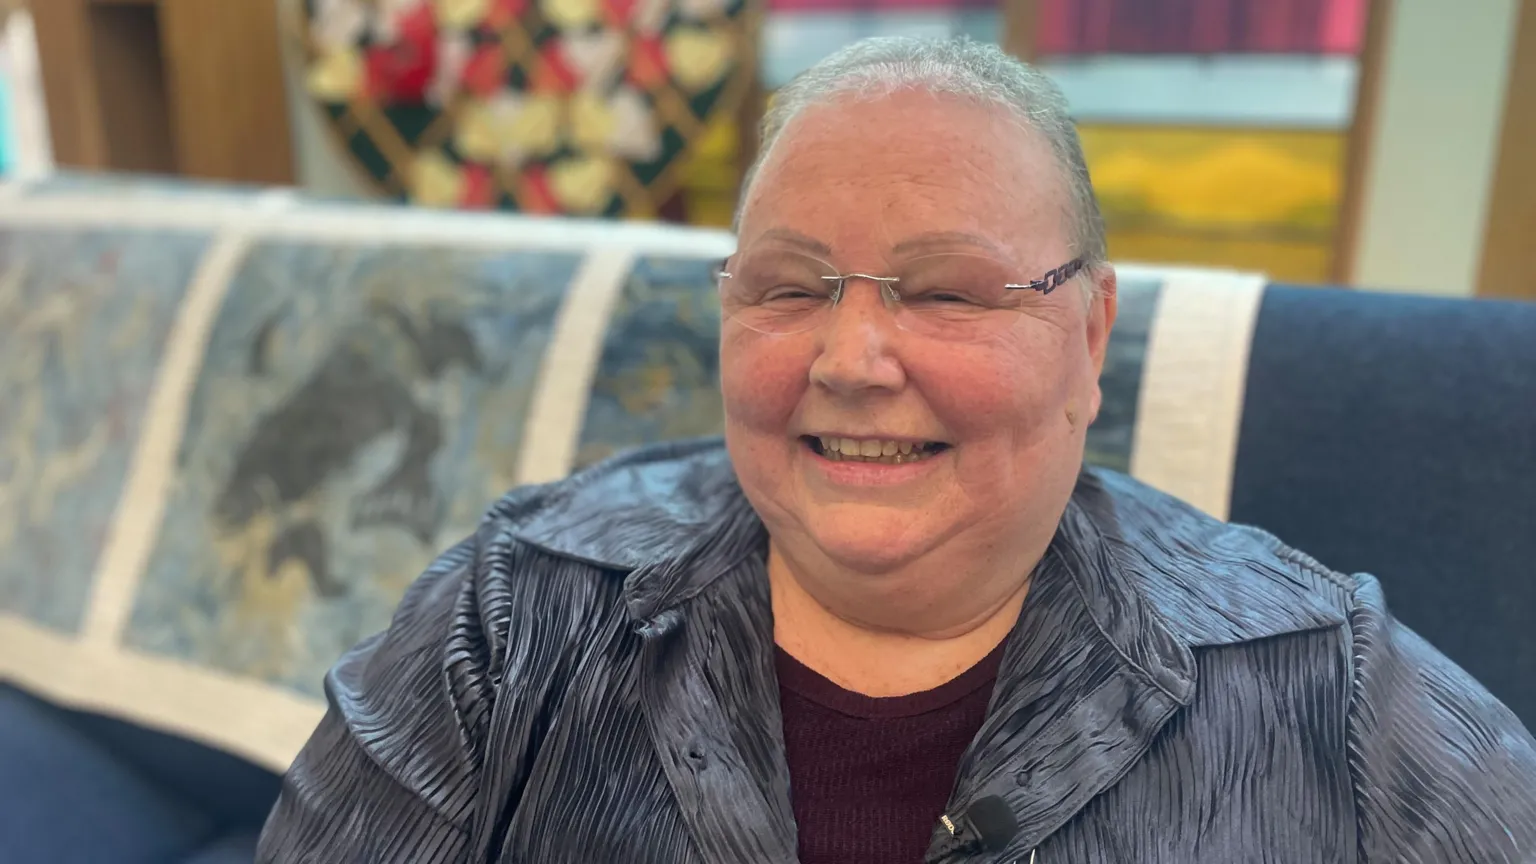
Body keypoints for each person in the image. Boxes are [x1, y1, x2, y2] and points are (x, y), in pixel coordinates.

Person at [258, 37, 1536, 863]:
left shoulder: (1325, 685)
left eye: (947, 291)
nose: (853, 359)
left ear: (1090, 335)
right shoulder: (510, 611)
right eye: (788, 284)